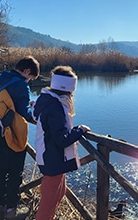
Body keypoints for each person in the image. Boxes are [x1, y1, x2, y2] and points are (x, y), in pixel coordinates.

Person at [33, 65, 91, 220]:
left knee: (59, 193)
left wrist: (71, 138)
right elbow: (61, 139)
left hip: (50, 154)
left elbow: (52, 131)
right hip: (52, 158)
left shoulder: (47, 100)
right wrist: (79, 130)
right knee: (48, 203)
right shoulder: (55, 106)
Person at [0, 56, 39, 220]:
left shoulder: (0, 78)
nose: (29, 80)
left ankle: (0, 206)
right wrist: (33, 109)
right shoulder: (21, 85)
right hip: (12, 134)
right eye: (31, 77)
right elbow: (24, 113)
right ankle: (11, 209)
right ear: (27, 71)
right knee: (14, 172)